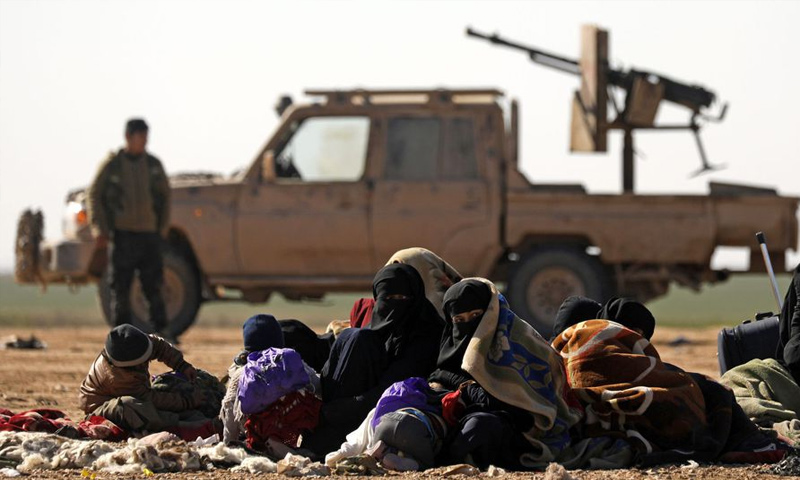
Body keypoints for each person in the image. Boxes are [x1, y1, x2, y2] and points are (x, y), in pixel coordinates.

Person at [431, 279, 582, 469]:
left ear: (491, 314)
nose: (468, 324)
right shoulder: (451, 349)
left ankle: (439, 464)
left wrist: (454, 381)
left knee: (481, 425)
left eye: (476, 315)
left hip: (526, 434)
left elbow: (504, 404)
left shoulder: (518, 342)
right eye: (459, 320)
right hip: (474, 424)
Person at [302, 263, 444, 455]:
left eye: (402, 298)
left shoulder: (425, 334)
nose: (395, 305)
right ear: (377, 299)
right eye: (388, 299)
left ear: (415, 298)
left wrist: (338, 410)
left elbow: (392, 389)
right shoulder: (370, 330)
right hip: (346, 405)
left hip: (388, 407)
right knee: (352, 337)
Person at [88, 118, 171, 338]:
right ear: (128, 137)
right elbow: (94, 195)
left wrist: (162, 229)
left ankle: (161, 331)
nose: (144, 141)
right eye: (140, 136)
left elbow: (165, 196)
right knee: (120, 286)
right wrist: (100, 229)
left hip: (149, 234)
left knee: (153, 284)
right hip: (122, 234)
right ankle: (120, 335)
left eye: (146, 137)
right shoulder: (113, 165)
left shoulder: (153, 165)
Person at [78, 325, 211, 438]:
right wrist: (187, 401)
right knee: (132, 407)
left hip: (138, 393)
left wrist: (182, 365)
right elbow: (149, 399)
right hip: (102, 407)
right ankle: (180, 425)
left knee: (165, 389)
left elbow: (159, 346)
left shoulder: (136, 344)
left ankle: (187, 416)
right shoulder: (118, 378)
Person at [220, 314, 320, 448]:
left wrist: (228, 443)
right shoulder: (293, 364)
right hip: (289, 435)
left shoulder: (241, 373)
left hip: (252, 435)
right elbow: (318, 387)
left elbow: (229, 408)